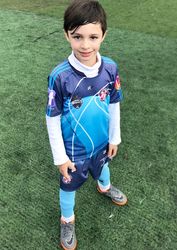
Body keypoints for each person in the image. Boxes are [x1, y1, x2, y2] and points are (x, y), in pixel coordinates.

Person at [46, 0, 127, 249]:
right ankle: (67, 219)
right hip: (74, 150)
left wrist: (115, 137)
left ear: (104, 34)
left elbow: (114, 104)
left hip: (102, 141)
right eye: (77, 36)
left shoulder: (111, 68)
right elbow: (52, 117)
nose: (85, 45)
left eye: (93, 36)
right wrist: (60, 157)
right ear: (66, 35)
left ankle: (105, 187)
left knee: (103, 165)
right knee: (69, 184)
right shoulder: (60, 76)